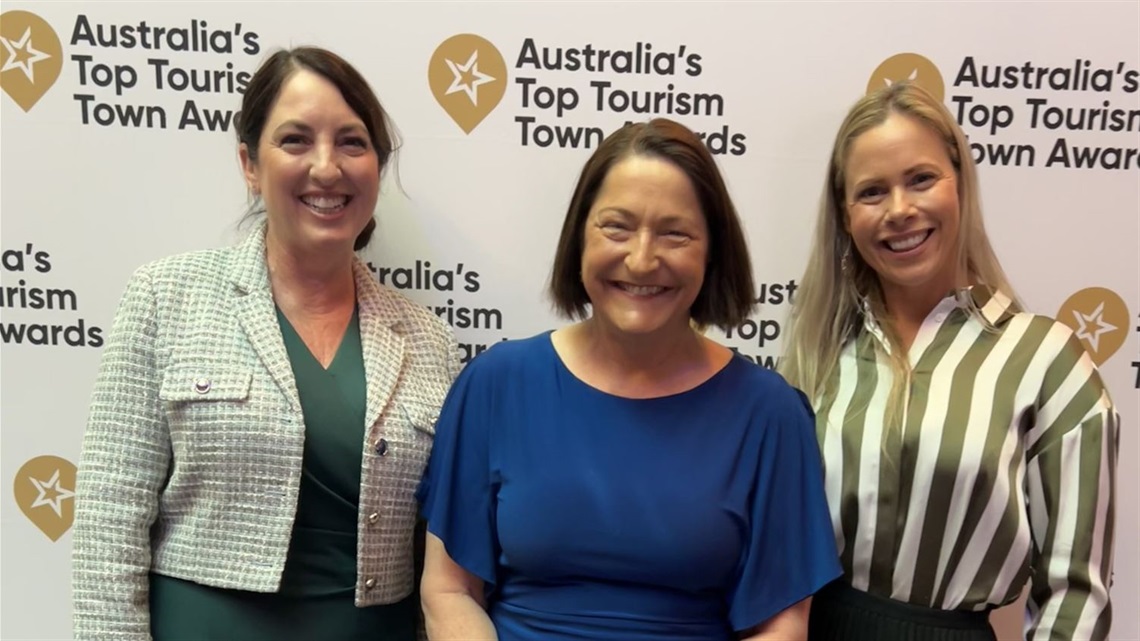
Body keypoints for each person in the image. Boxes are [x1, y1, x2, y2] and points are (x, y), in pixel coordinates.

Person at [71, 46, 459, 641]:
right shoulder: (166, 297)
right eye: (296, 140)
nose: (326, 168)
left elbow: (438, 552)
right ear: (250, 163)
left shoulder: (429, 340)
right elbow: (109, 519)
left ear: (377, 168)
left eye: (352, 143)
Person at [416, 117, 842, 641]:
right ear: (579, 238)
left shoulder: (770, 414)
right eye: (616, 226)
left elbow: (780, 625)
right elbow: (449, 591)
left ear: (712, 252)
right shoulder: (494, 386)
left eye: (675, 233)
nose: (642, 259)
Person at [778, 81, 1119, 641]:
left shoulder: (1047, 363)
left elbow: (1076, 596)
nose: (900, 210)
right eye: (871, 192)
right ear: (844, 216)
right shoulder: (819, 351)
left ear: (960, 184)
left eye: (920, 179)